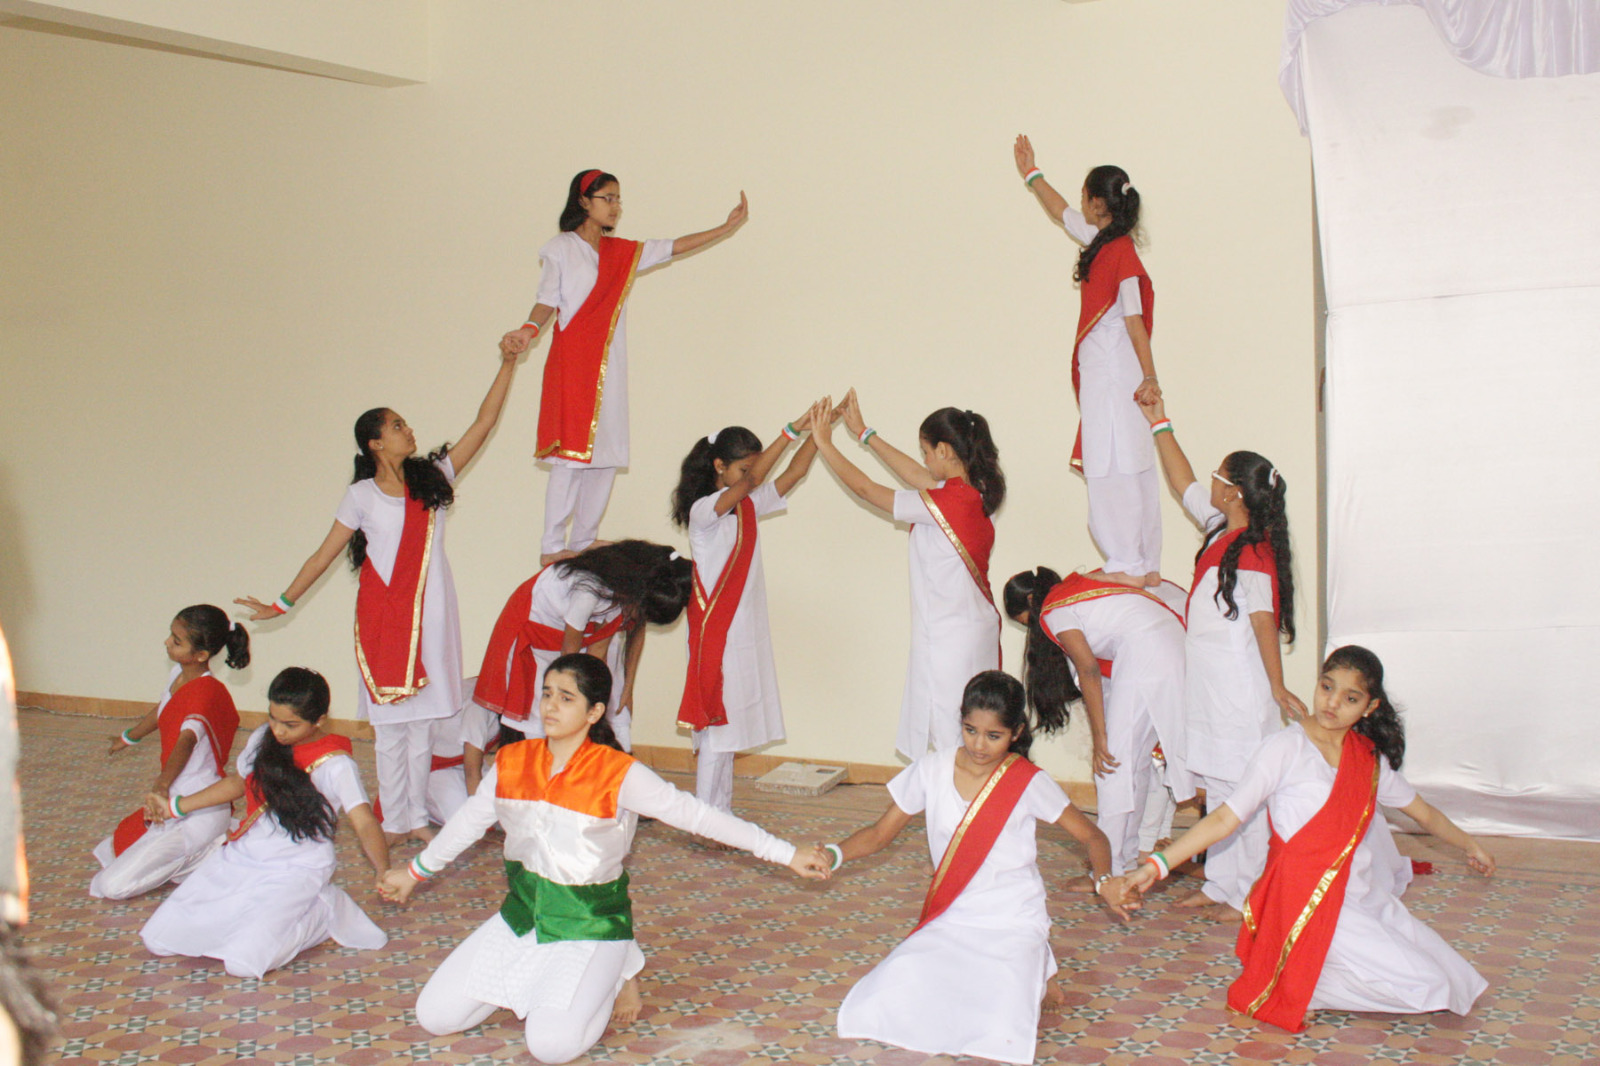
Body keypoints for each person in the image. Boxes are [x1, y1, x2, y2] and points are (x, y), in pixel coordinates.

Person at [380, 654, 829, 1065]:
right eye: (547, 693)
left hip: (590, 925)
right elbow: (465, 824)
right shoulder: (513, 761)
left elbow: (698, 815)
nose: (551, 706)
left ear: (594, 712)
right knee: (435, 1017)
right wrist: (414, 873)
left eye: (566, 698)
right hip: (522, 917)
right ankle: (547, 983)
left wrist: (786, 853)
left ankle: (617, 969)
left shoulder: (619, 773)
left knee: (550, 1046)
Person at [1127, 646, 1493, 1032]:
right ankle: (1303, 987)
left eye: (1350, 698)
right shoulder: (1285, 748)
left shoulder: (1367, 759)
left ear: (1370, 707)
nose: (1332, 703)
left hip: (1360, 896)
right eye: (1326, 687)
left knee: (1454, 977)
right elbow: (1223, 819)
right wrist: (1157, 865)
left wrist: (1471, 844)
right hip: (1303, 898)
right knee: (1428, 986)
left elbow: (1425, 813)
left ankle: (1302, 976)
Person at [237, 348, 520, 845]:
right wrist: (280, 604)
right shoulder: (362, 495)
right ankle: (394, 821)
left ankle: (413, 818)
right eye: (397, 426)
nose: (408, 430)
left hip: (432, 617)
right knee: (391, 730)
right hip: (385, 618)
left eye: (406, 424)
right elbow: (323, 556)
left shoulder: (433, 478)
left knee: (423, 726)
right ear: (374, 442)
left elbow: (485, 422)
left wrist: (508, 363)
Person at [828, 671, 1135, 1065]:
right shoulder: (932, 769)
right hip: (953, 917)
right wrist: (833, 855)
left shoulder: (1026, 781)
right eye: (970, 730)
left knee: (1000, 1027)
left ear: (1016, 732)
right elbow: (877, 834)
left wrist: (1104, 881)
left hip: (1012, 918)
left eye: (994, 736)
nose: (978, 744)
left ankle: (1035, 960)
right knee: (884, 1001)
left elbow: (1094, 837)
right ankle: (1038, 968)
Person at [499, 169, 751, 566]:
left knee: (607, 453)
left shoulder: (622, 253)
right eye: (608, 198)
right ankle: (552, 546)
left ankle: (582, 538)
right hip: (574, 363)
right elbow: (547, 301)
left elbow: (673, 247)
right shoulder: (560, 248)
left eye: (618, 199)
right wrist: (528, 331)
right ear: (584, 201)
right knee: (569, 456)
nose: (616, 207)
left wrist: (724, 227)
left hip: (610, 368)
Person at [1140, 394, 1302, 913]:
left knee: (1241, 786)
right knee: (1218, 782)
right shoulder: (1220, 529)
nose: (1208, 481)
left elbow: (1262, 622)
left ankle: (1248, 889)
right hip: (1209, 684)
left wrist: (1276, 687)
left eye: (1218, 476)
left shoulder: (1253, 551)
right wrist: (1158, 420)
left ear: (1233, 494)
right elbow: (1182, 480)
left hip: (1238, 686)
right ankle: (1222, 884)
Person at [140, 668, 390, 979]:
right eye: (273, 718)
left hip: (298, 868)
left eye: (290, 724)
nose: (278, 731)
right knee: (159, 939)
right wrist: (176, 807)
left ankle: (324, 912)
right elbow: (240, 784)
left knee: (242, 963)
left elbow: (364, 821)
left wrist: (382, 870)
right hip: (244, 856)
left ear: (320, 721)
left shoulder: (336, 763)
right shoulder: (263, 738)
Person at [808, 390, 1004, 757]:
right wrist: (865, 433)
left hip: (947, 641)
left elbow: (867, 489)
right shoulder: (974, 492)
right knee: (977, 733)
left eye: (927, 451)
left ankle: (953, 810)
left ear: (945, 451)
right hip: (973, 632)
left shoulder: (948, 503)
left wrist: (825, 444)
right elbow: (919, 477)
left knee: (950, 736)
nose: (925, 461)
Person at [1014, 136, 1161, 588]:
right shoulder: (1104, 240)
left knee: (1114, 461)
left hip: (1117, 375)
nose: (1079, 203)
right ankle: (1140, 561)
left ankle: (1130, 562)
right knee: (1118, 457)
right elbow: (1060, 211)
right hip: (1107, 374)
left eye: (1085, 196)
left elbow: (1135, 322)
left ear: (1099, 204)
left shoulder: (1121, 253)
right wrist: (1032, 174)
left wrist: (1151, 376)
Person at [1002, 567, 1194, 876]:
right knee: (1135, 765)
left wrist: (1101, 737)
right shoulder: (1074, 589)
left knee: (1112, 765)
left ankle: (1107, 872)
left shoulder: (1054, 609)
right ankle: (1125, 862)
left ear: (1030, 601)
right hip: (1169, 644)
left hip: (1147, 650)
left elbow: (1088, 668)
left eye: (1025, 622)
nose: (1031, 631)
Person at [672, 416, 819, 810]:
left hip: (743, 629)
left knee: (731, 725)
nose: (751, 475)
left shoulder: (748, 506)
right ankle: (706, 815)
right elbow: (753, 482)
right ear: (719, 466)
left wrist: (821, 431)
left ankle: (720, 812)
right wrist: (791, 429)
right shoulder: (705, 511)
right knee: (717, 728)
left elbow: (796, 471)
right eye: (742, 468)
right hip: (716, 630)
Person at [474, 541, 694, 755]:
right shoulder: (589, 592)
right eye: (642, 614)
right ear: (637, 597)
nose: (637, 621)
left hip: (569, 634)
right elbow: (568, 661)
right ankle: (538, 770)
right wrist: (578, 708)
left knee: (586, 699)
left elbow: (597, 655)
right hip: (535, 632)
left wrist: (613, 696)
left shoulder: (632, 579)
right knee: (545, 707)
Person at [91, 605, 250, 899]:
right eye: (170, 635)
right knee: (115, 847)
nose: (167, 642)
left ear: (201, 655)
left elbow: (185, 741)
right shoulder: (180, 674)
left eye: (177, 641)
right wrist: (129, 738)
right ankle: (195, 853)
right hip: (173, 805)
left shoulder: (205, 693)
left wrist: (162, 785)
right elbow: (163, 708)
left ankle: (213, 852)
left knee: (109, 887)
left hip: (199, 808)